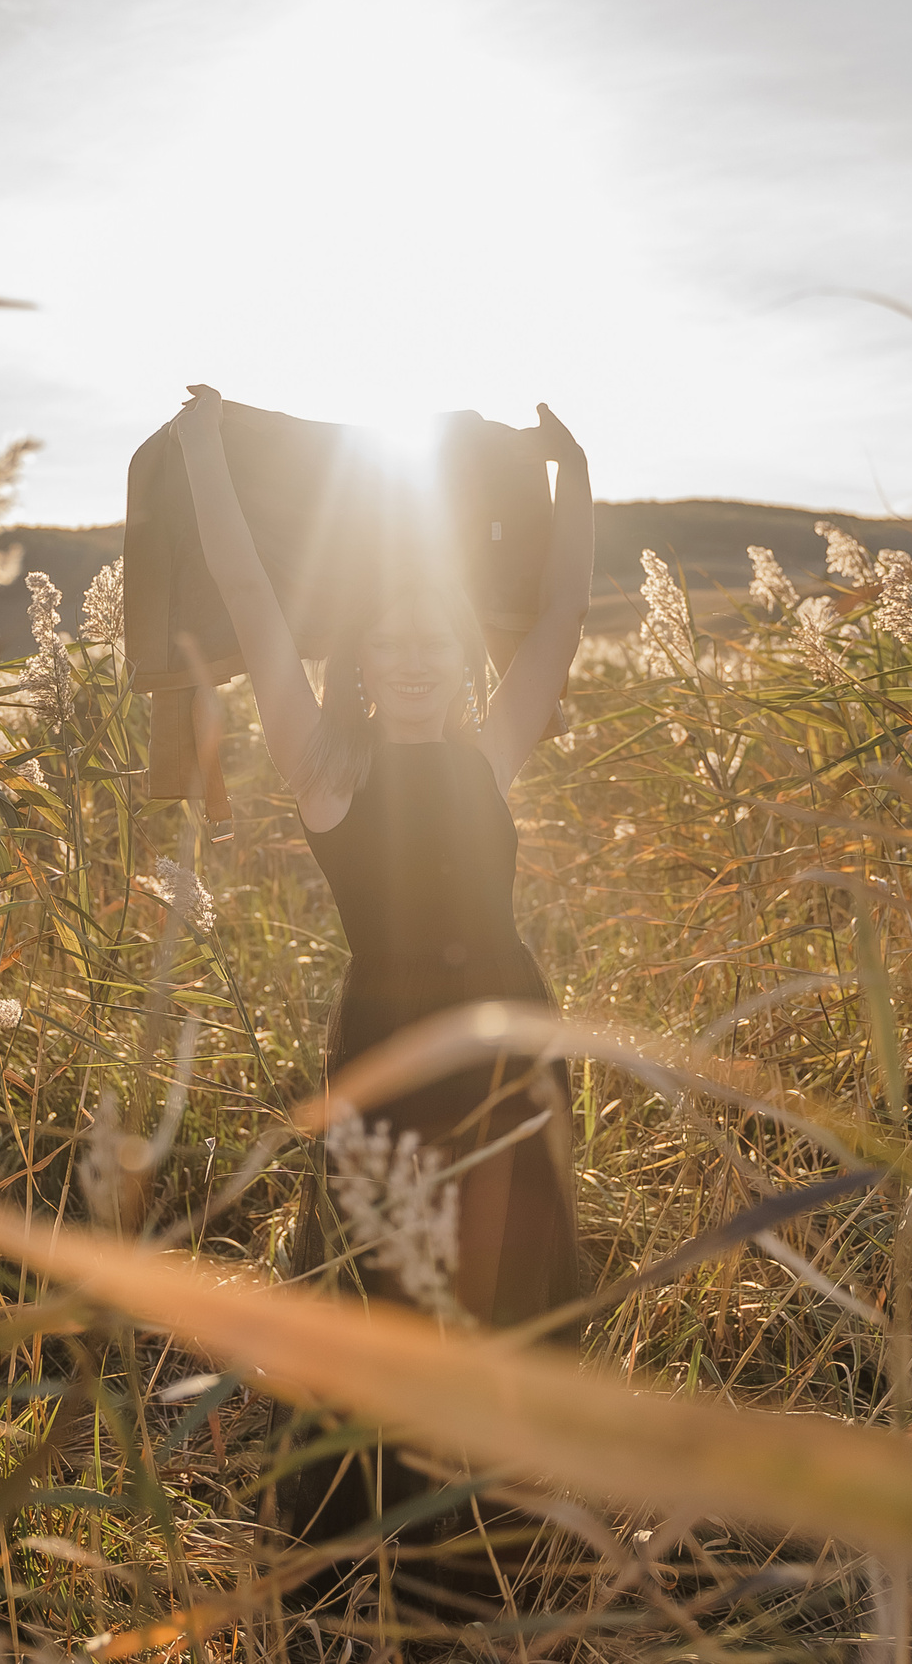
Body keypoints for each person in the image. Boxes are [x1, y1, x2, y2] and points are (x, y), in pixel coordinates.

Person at [169, 381, 596, 1566]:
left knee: (511, 1275)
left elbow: (561, 612)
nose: (412, 663)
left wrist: (573, 475)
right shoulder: (326, 769)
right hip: (391, 1052)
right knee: (396, 1279)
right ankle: (384, 1535)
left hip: (512, 1036)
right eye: (390, 646)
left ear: (458, 659)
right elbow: (250, 594)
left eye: (432, 645)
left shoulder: (487, 754)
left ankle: (503, 1527)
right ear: (359, 662)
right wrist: (203, 448)